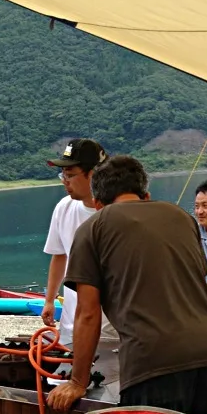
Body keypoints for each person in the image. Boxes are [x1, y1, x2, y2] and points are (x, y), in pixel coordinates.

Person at [47, 155, 207, 414]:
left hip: (153, 364)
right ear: (146, 195)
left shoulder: (92, 228)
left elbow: (88, 314)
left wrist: (77, 381)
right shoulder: (181, 217)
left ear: (98, 204)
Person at [41, 139, 118, 347]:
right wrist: (49, 299)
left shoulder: (118, 213)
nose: (64, 181)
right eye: (62, 175)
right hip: (72, 325)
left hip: (112, 329)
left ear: (93, 175)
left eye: (70, 175)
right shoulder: (63, 208)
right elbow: (59, 255)